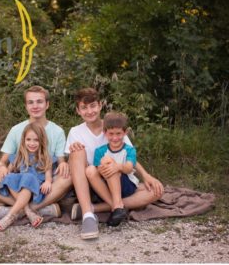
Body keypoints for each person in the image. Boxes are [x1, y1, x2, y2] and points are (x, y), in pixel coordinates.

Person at [66, 88, 163, 239]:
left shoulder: (113, 127)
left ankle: (97, 208)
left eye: (92, 106)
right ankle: (88, 216)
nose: (89, 111)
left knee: (156, 191)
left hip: (117, 179)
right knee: (88, 156)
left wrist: (146, 175)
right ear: (78, 111)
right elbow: (75, 165)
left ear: (100, 105)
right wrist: (73, 151)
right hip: (92, 182)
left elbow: (129, 154)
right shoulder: (75, 132)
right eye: (84, 108)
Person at [0, 86, 69, 224]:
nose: (35, 106)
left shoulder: (57, 131)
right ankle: (32, 210)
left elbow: (61, 161)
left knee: (70, 176)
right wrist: (2, 168)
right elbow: (3, 162)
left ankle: (14, 211)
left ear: (47, 104)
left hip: (44, 185)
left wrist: (62, 164)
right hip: (19, 184)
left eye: (39, 101)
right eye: (30, 102)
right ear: (26, 106)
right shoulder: (16, 130)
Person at [0, 123, 56, 231]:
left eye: (36, 140)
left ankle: (9, 216)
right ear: (23, 140)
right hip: (20, 192)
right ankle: (28, 211)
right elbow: (8, 171)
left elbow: (48, 176)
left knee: (28, 178)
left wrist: (48, 182)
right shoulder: (19, 156)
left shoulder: (45, 158)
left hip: (36, 189)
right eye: (29, 139)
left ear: (42, 141)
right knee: (10, 177)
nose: (32, 143)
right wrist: (2, 174)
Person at [89, 112, 138, 227]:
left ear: (125, 132)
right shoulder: (100, 151)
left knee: (109, 162)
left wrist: (118, 166)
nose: (115, 138)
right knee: (91, 169)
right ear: (105, 132)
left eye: (118, 133)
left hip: (126, 185)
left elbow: (129, 168)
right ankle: (117, 208)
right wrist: (104, 169)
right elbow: (97, 171)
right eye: (111, 134)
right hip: (107, 187)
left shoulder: (129, 150)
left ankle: (116, 206)